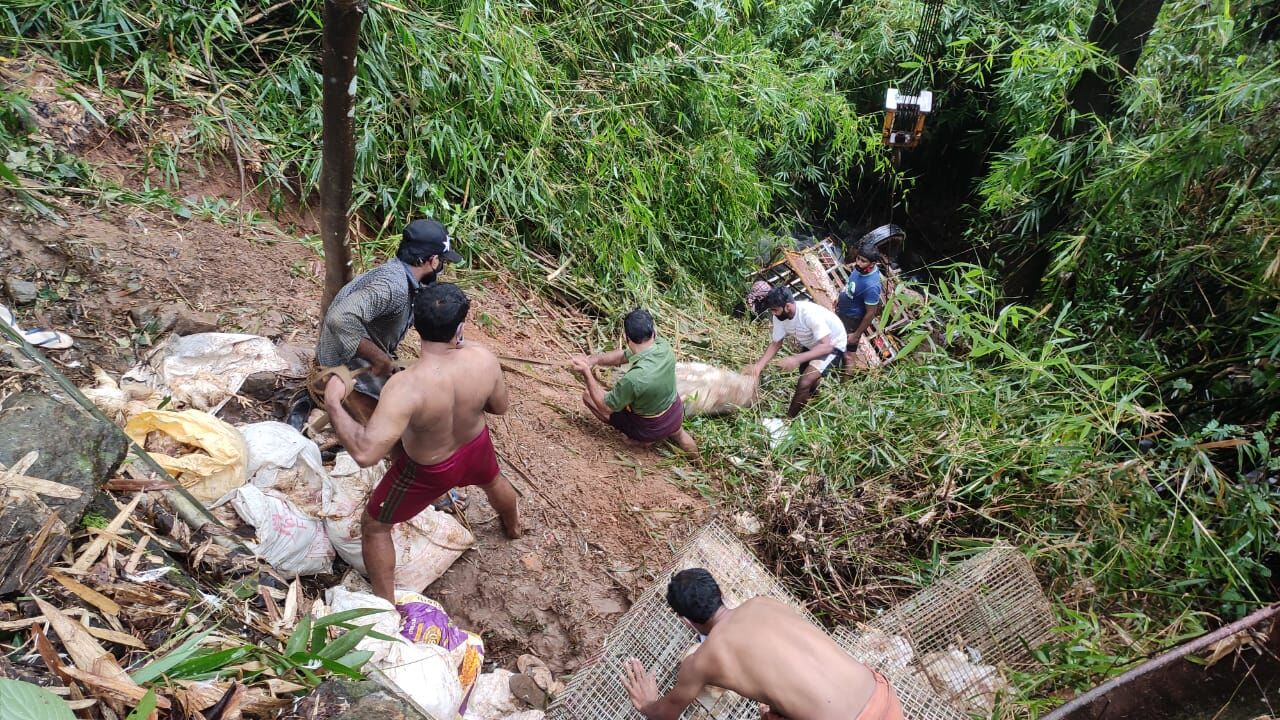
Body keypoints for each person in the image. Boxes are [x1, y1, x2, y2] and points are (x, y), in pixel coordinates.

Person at [323, 283, 521, 602]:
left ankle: (386, 606)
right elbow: (499, 407)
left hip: (430, 469)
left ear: (415, 324)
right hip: (475, 445)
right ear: (460, 328)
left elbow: (364, 453)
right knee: (493, 480)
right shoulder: (484, 359)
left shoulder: (406, 387)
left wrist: (334, 403)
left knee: (374, 524)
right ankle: (513, 529)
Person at [620, 568, 903, 720]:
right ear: (720, 592)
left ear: (685, 620)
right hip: (884, 698)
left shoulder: (701, 661)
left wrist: (647, 703)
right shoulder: (764, 603)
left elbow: (666, 715)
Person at [314, 218, 462, 422]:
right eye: (442, 261)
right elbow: (339, 319)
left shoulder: (405, 278)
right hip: (340, 364)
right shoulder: (393, 287)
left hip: (360, 356)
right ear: (431, 260)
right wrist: (378, 357)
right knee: (411, 418)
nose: (442, 267)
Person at [571, 308, 697, 455]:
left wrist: (586, 372)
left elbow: (605, 406)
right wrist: (595, 359)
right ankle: (698, 461)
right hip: (675, 415)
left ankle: (641, 440)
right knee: (680, 434)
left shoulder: (633, 379)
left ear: (627, 338)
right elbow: (622, 356)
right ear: (653, 333)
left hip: (649, 429)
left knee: (588, 396)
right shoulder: (664, 347)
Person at [743, 287, 848, 417]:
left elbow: (826, 346)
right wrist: (758, 367)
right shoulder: (779, 318)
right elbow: (776, 343)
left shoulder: (808, 314)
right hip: (813, 342)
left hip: (833, 343)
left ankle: (788, 420)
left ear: (787, 306)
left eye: (775, 310)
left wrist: (796, 359)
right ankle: (814, 398)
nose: (773, 313)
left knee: (804, 381)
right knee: (805, 374)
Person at [835, 246, 884, 361]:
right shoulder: (859, 269)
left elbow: (870, 313)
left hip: (851, 320)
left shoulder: (872, 286)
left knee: (847, 353)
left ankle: (837, 374)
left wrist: (856, 335)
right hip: (842, 311)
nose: (858, 263)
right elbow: (851, 284)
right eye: (858, 258)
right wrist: (840, 298)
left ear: (872, 264)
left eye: (863, 261)